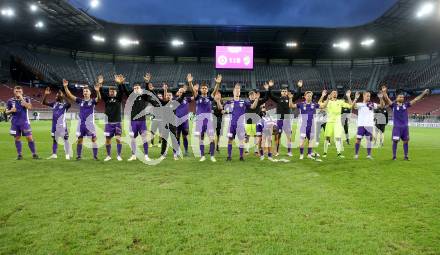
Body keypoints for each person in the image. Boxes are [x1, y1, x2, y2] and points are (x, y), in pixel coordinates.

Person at [382, 87, 430, 160]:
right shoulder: (393, 105)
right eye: (400, 97)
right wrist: (384, 92)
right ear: (397, 98)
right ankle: (394, 156)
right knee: (395, 141)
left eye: (403, 97)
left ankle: (406, 156)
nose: (402, 98)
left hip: (405, 127)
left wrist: (423, 93)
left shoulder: (406, 105)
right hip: (397, 127)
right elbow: (387, 98)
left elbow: (416, 99)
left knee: (406, 141)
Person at [63, 79, 101, 160]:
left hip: (90, 125)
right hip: (81, 125)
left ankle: (95, 156)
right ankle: (79, 156)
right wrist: (65, 87)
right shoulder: (80, 101)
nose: (85, 92)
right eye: (84, 91)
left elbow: (99, 98)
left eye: (87, 91)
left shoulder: (93, 101)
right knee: (80, 140)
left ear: (90, 93)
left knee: (93, 140)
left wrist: (97, 91)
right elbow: (70, 95)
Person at [187, 73, 222, 162]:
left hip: (208, 121)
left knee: (212, 138)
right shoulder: (197, 97)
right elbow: (192, 90)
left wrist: (217, 83)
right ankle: (202, 156)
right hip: (200, 120)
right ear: (200, 89)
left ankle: (212, 156)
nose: (204, 89)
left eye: (205, 88)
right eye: (202, 88)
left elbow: (215, 90)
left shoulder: (210, 98)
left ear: (207, 90)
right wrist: (190, 82)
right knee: (201, 138)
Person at [223, 84, 260, 161]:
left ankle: (241, 156)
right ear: (233, 92)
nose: (237, 92)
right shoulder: (229, 102)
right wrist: (224, 111)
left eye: (239, 90)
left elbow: (253, 107)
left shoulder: (244, 102)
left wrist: (256, 99)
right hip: (232, 125)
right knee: (230, 140)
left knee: (241, 140)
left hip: (240, 125)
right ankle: (229, 156)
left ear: (240, 92)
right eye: (236, 90)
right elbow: (223, 109)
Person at [265, 80, 302, 157]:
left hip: (287, 119)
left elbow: (298, 95)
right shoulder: (278, 99)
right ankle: (276, 151)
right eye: (283, 91)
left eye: (285, 91)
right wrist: (270, 87)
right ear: (281, 92)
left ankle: (289, 151)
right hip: (280, 119)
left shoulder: (290, 99)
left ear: (287, 92)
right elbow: (270, 95)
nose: (284, 92)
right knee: (278, 135)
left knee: (289, 136)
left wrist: (299, 87)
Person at [120, 74, 152, 162]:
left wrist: (147, 82)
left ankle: (146, 155)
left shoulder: (144, 96)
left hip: (142, 121)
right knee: (133, 138)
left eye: (137, 87)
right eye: (134, 88)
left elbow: (148, 90)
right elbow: (126, 90)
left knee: (144, 138)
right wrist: (122, 83)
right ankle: (133, 155)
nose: (136, 89)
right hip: (133, 121)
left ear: (140, 89)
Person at [292, 88, 327, 160]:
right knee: (302, 141)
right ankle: (301, 154)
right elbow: (291, 106)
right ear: (305, 96)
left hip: (312, 126)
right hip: (304, 126)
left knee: (311, 140)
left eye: (310, 96)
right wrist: (290, 98)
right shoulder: (301, 104)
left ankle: (309, 154)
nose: (309, 97)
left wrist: (327, 99)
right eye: (308, 96)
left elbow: (323, 106)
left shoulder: (314, 104)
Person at [6, 86, 39, 160]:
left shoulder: (26, 99)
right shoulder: (10, 101)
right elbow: (6, 112)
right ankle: (19, 155)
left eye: (19, 91)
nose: (18, 93)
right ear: (14, 91)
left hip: (25, 122)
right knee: (17, 138)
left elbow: (29, 107)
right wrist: (11, 111)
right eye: (16, 91)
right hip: (15, 123)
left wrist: (21, 98)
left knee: (29, 138)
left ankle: (34, 154)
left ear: (22, 92)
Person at [351, 91, 385, 159]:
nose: (368, 97)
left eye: (369, 96)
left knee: (369, 140)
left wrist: (381, 98)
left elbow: (382, 106)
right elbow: (352, 106)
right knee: (358, 140)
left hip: (369, 125)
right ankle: (356, 154)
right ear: (363, 96)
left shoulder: (372, 104)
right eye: (367, 96)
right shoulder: (360, 104)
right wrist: (355, 99)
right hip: (361, 125)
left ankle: (369, 155)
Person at [321, 90, 354, 158]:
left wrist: (348, 96)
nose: (335, 94)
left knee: (338, 138)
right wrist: (324, 97)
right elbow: (322, 106)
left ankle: (339, 153)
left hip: (337, 122)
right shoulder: (328, 101)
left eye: (336, 93)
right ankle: (325, 153)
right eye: (333, 93)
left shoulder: (340, 101)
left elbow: (351, 106)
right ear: (331, 94)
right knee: (327, 137)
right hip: (329, 121)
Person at [42, 85, 71, 160]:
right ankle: (54, 154)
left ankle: (67, 155)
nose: (55, 97)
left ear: (60, 96)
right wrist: (46, 95)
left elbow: (69, 104)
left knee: (65, 140)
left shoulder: (65, 105)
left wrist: (64, 96)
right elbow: (44, 102)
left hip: (62, 126)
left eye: (57, 96)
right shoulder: (54, 103)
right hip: (54, 126)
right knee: (55, 140)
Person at [100, 75, 125, 162]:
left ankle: (119, 155)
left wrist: (119, 83)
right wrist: (100, 84)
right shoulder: (106, 99)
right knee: (108, 140)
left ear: (115, 92)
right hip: (108, 123)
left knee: (118, 139)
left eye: (113, 91)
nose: (112, 92)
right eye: (110, 91)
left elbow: (121, 91)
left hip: (117, 122)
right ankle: (108, 156)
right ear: (109, 92)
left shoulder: (118, 99)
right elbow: (101, 92)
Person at [244, 88, 269, 155]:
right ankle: (247, 150)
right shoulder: (246, 102)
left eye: (253, 95)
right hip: (248, 122)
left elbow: (266, 98)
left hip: (256, 122)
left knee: (256, 136)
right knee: (247, 136)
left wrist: (267, 90)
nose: (252, 96)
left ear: (255, 95)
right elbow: (253, 107)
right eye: (250, 95)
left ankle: (256, 151)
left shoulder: (258, 101)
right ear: (249, 96)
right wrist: (257, 99)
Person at [174, 85, 193, 156]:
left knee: (185, 136)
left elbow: (194, 97)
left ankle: (186, 151)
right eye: (180, 92)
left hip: (185, 121)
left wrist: (193, 89)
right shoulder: (175, 100)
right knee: (177, 136)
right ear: (178, 93)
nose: (181, 93)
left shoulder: (187, 99)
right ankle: (177, 151)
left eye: (182, 92)